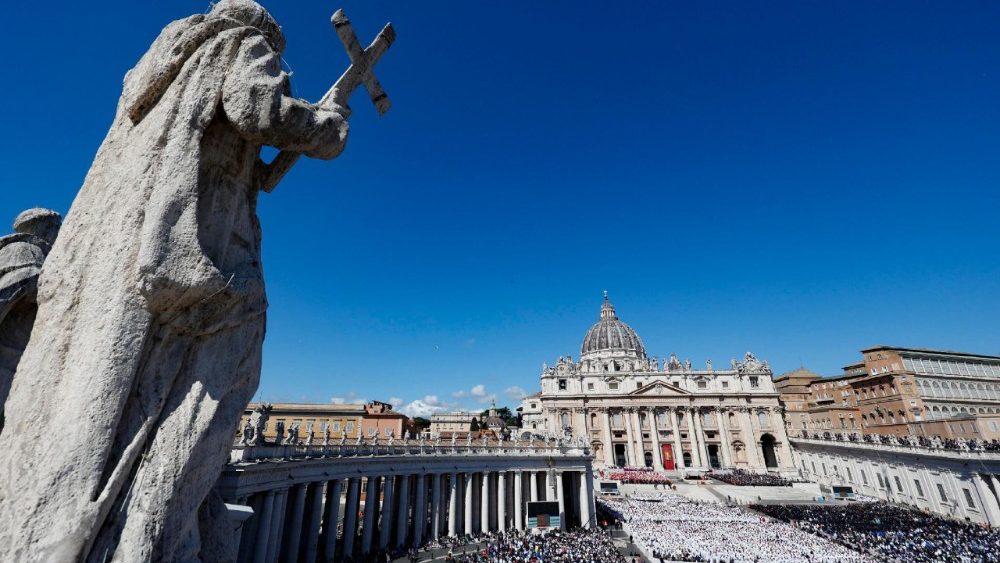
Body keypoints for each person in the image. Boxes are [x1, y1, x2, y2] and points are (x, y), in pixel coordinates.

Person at [0, 1, 348, 561]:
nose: (281, 69)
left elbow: (249, 164)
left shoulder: (162, 74)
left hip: (121, 255)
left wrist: (288, 145)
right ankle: (146, 533)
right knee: (227, 373)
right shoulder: (239, 42)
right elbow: (257, 108)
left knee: (106, 400)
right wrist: (326, 129)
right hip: (199, 260)